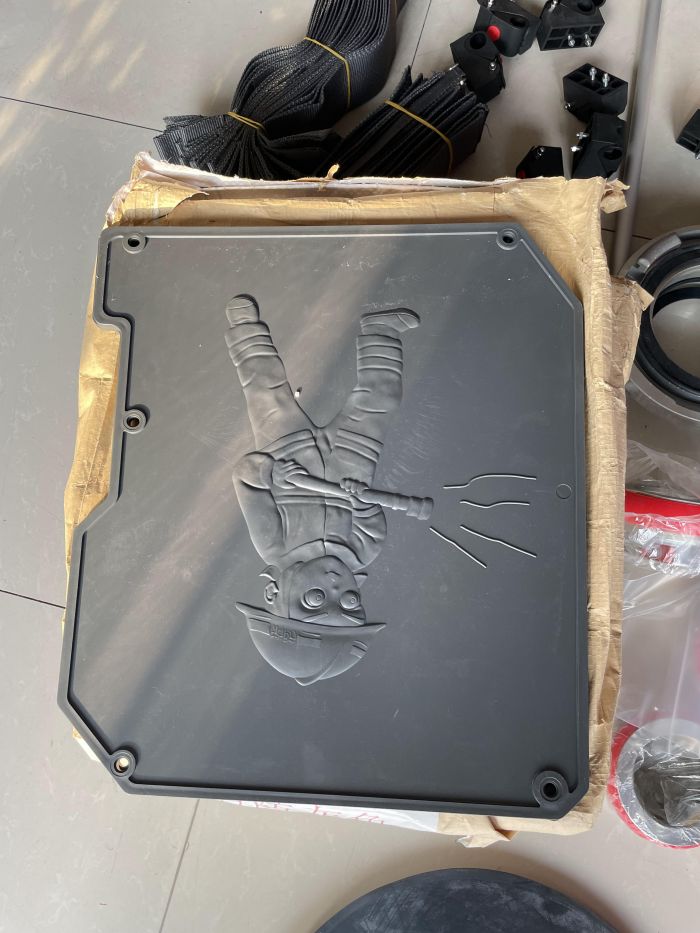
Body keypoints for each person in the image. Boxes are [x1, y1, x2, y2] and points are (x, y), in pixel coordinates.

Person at [224, 294, 420, 684]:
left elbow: (244, 479)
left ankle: (244, 329)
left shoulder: (275, 546)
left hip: (289, 455)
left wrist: (272, 474)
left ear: (275, 594)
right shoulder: (362, 552)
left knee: (266, 392)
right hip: (352, 461)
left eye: (314, 600)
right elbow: (371, 522)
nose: (334, 587)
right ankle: (380, 330)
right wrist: (361, 503)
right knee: (381, 400)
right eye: (349, 601)